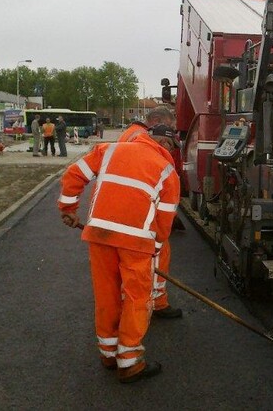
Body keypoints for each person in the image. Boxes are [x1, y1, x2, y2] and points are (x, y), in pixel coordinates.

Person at [58, 124, 180, 383]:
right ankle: (130, 361)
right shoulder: (167, 171)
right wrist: (155, 250)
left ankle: (108, 353)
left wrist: (68, 208)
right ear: (166, 144)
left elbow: (74, 174)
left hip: (100, 235)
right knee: (137, 297)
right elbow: (164, 221)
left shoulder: (110, 150)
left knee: (107, 294)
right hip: (135, 243)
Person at [119, 107, 185, 319]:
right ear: (156, 121)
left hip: (130, 207)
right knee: (157, 254)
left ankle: (139, 300)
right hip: (142, 211)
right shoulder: (142, 138)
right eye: (169, 130)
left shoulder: (131, 134)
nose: (169, 142)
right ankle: (153, 303)